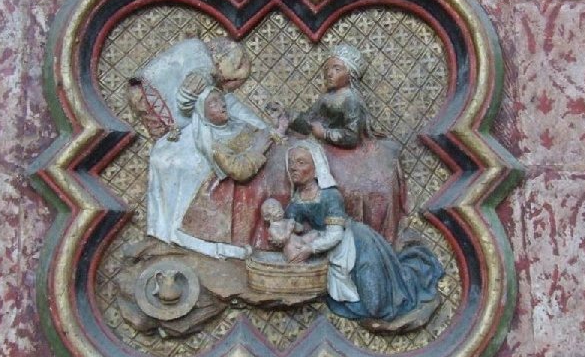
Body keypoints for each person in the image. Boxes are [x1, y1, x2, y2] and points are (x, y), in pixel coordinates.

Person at [283, 140, 444, 321]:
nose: (293, 168)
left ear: (316, 167)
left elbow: (335, 234)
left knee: (377, 307)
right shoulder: (296, 202)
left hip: (357, 245)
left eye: (301, 162)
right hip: (331, 253)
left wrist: (308, 249)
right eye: (290, 163)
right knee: (362, 304)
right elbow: (289, 229)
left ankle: (414, 276)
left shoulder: (329, 196)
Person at [144, 38, 269, 259]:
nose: (233, 82)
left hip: (217, 139)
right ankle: (173, 231)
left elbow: (238, 111)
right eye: (233, 71)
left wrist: (268, 130)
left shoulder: (221, 99)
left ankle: (190, 233)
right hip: (196, 141)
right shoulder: (199, 73)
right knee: (175, 163)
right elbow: (185, 101)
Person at [283, 44, 374, 148]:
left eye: (337, 69)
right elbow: (310, 120)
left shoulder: (351, 99)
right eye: (327, 69)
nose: (329, 74)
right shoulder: (326, 97)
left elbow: (352, 136)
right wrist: (289, 116)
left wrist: (324, 133)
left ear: (351, 74)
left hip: (338, 150)